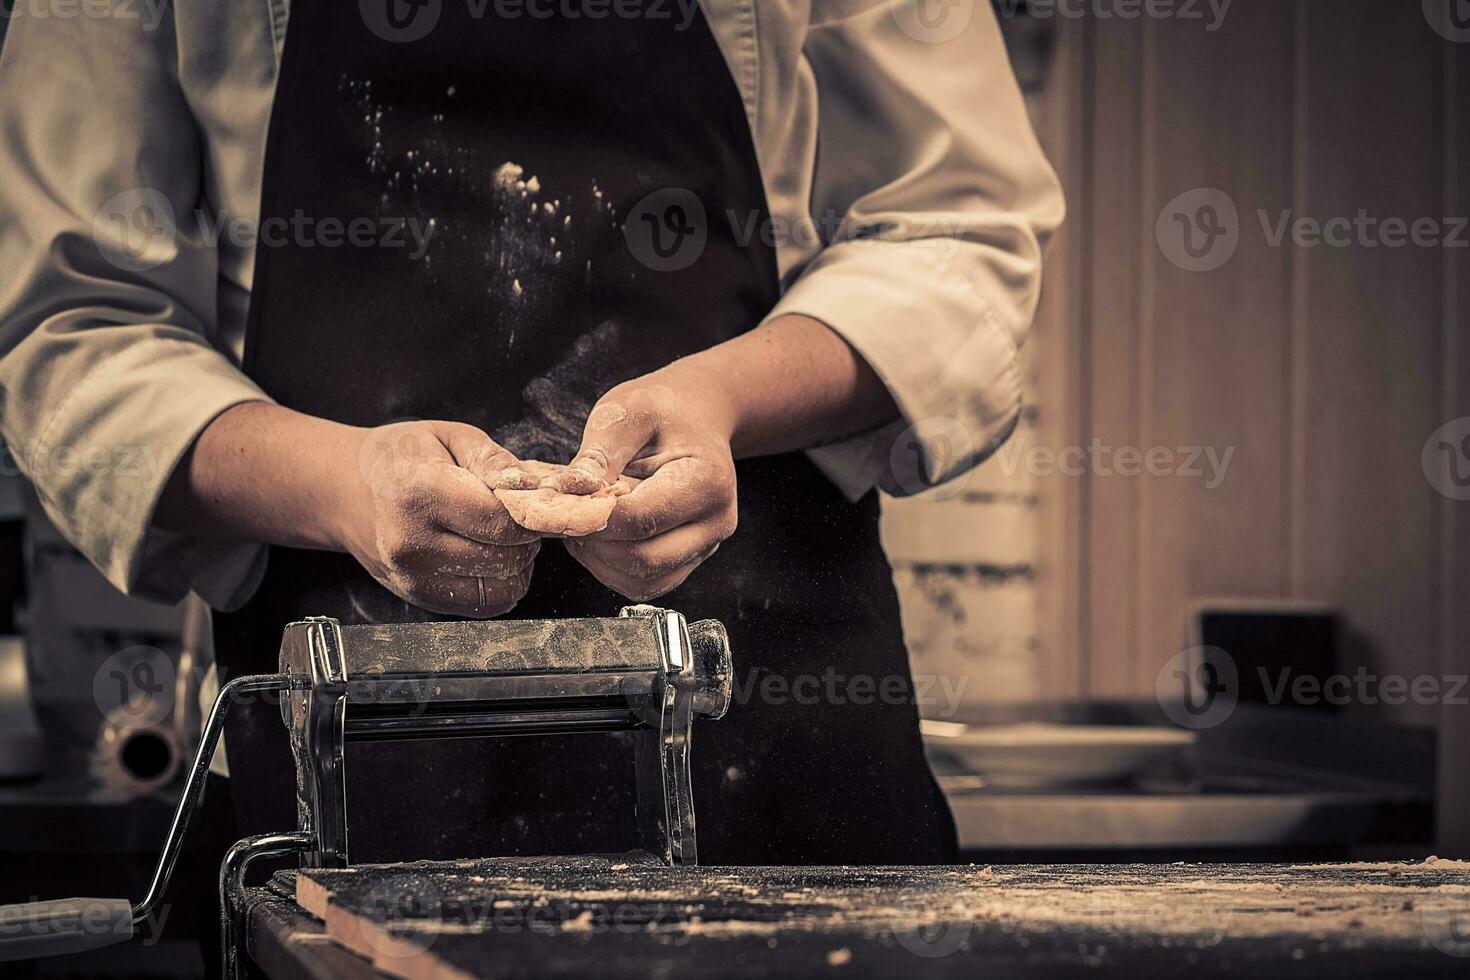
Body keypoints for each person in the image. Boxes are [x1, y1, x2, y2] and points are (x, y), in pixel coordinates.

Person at [0, 0, 1062, 963]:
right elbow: (75, 328)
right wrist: (341, 482)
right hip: (358, 733)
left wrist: (723, 398)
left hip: (781, 720)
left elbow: (956, 231)